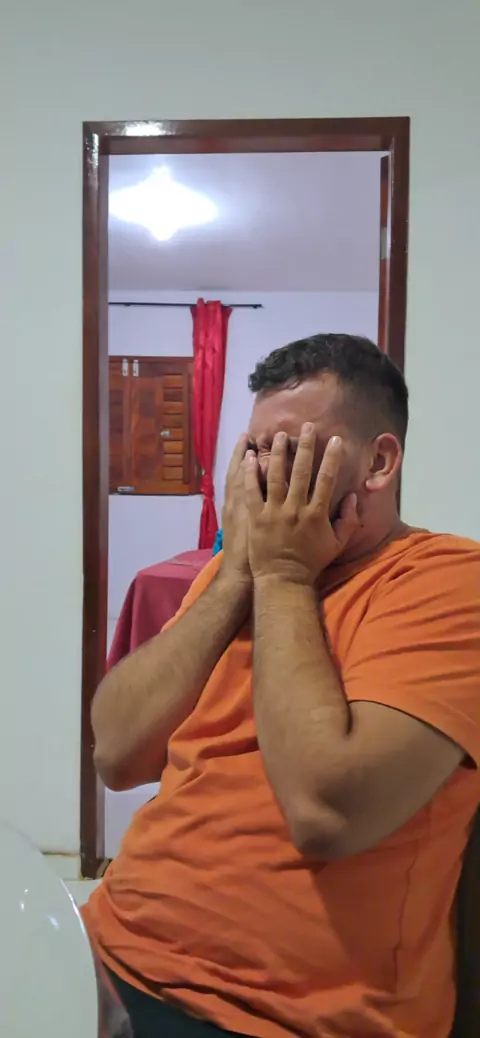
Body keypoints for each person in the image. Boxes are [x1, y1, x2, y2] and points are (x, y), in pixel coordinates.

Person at [83, 334, 480, 1038]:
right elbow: (114, 753)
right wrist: (237, 573)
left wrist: (285, 576)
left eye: (291, 450)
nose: (266, 473)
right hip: (111, 946)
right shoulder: (236, 572)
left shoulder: (446, 582)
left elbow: (327, 812)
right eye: (255, 451)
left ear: (379, 463)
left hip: (269, 1012)